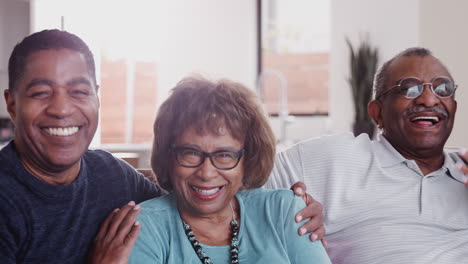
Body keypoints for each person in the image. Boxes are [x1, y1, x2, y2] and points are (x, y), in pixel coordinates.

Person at [0, 29, 325, 263]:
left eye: (79, 92)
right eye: (41, 92)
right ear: (12, 104)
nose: (61, 108)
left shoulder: (108, 172)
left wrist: (294, 205)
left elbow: (186, 190)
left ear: (97, 96)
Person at [266, 47, 468, 263]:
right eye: (409, 89)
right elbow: (236, 188)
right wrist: (287, 208)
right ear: (377, 113)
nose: (429, 100)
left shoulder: (464, 170)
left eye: (443, 88)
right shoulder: (337, 156)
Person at [128, 77, 331, 263]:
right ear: (169, 156)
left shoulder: (284, 211)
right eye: (190, 153)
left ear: (248, 159)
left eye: (224, 155)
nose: (206, 173)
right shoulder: (144, 228)